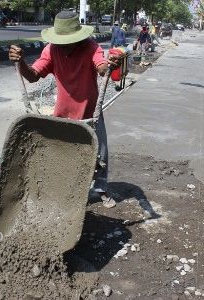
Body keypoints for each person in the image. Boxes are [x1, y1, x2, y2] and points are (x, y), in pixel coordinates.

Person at [9, 11, 122, 208]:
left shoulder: (91, 47)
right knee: (63, 155)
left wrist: (109, 66)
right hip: (62, 115)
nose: (64, 44)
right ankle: (66, 189)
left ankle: (101, 189)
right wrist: (20, 63)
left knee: (101, 154)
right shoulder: (51, 50)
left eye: (68, 40)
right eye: (61, 40)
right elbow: (33, 75)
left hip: (90, 113)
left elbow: (101, 66)